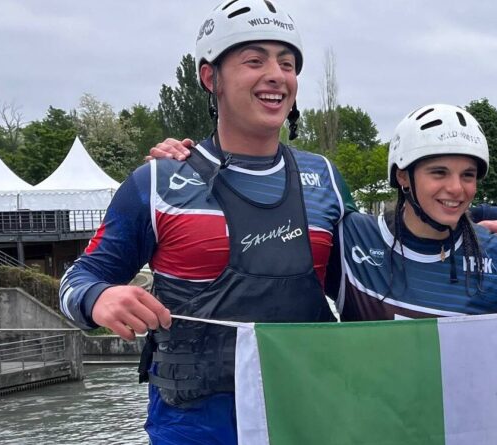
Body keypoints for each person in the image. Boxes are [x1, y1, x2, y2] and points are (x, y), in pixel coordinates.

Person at [59, 1, 354, 443]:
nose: (276, 75)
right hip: (194, 427)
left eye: (287, 63)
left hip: (306, 417)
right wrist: (99, 297)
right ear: (210, 77)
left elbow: (372, 281)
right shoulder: (156, 182)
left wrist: (458, 221)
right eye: (254, 60)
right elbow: (77, 279)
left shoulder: (326, 179)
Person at [328, 104, 497, 319]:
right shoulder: (351, 237)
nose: (456, 188)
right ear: (403, 176)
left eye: (468, 175)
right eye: (439, 172)